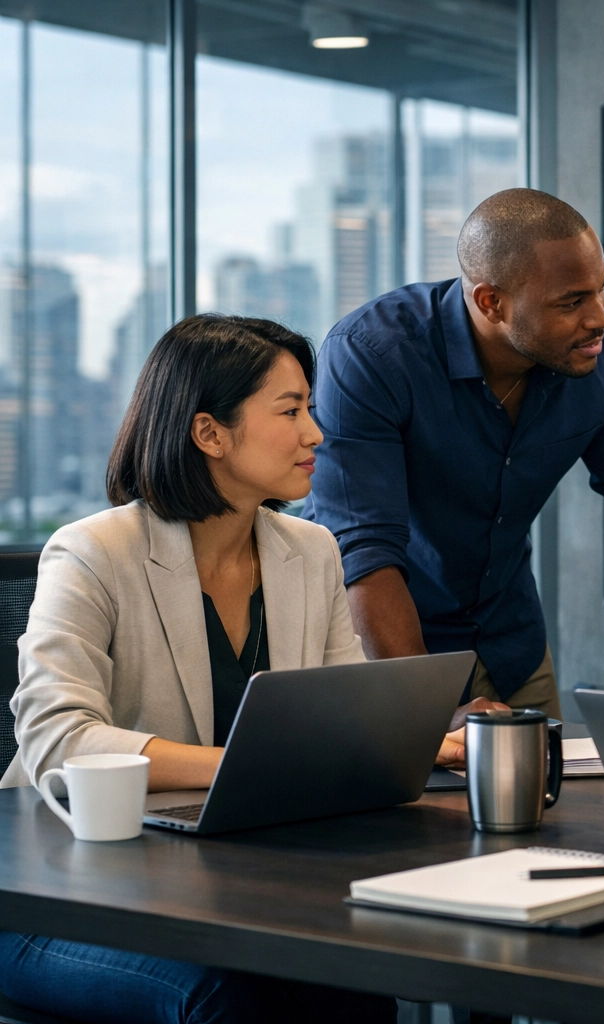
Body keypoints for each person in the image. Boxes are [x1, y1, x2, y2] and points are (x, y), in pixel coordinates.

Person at [0, 315, 397, 1022]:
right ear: (210, 433)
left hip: (215, 884)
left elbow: (343, 719)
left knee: (353, 983)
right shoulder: (92, 553)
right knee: (228, 998)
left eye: (309, 409)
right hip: (56, 895)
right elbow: (58, 742)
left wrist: (410, 742)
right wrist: (244, 767)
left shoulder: (311, 552)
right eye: (290, 411)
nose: (315, 434)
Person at [304, 189, 604, 729]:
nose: (600, 317)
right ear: (491, 303)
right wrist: (428, 713)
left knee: (550, 784)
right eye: (571, 302)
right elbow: (365, 556)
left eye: (602, 289)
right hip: (385, 648)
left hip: (510, 644)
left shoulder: (596, 353)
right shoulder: (372, 354)